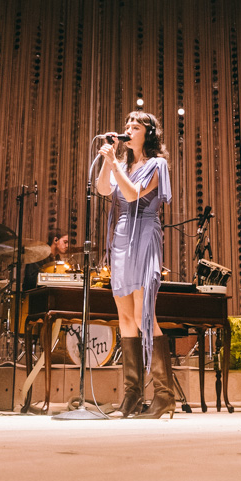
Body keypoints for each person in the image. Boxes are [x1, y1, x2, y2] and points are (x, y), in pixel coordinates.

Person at [96, 112, 173, 419]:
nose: (127, 130)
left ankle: (164, 395)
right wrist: (109, 159)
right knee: (125, 317)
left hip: (144, 232)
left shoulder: (158, 165)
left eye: (135, 127)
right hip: (122, 235)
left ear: (148, 133)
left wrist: (116, 165)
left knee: (143, 314)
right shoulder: (122, 164)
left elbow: (131, 194)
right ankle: (131, 396)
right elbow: (104, 189)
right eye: (126, 126)